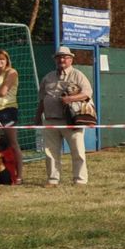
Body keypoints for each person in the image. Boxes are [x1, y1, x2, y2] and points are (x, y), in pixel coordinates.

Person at [34, 45, 93, 187]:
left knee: (77, 151)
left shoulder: (78, 75)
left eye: (65, 57)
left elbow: (87, 93)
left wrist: (70, 99)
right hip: (50, 120)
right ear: (55, 59)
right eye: (59, 57)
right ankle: (53, 179)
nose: (62, 60)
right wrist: (38, 116)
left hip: (71, 120)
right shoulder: (48, 77)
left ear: (71, 60)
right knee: (50, 152)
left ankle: (80, 180)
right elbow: (42, 99)